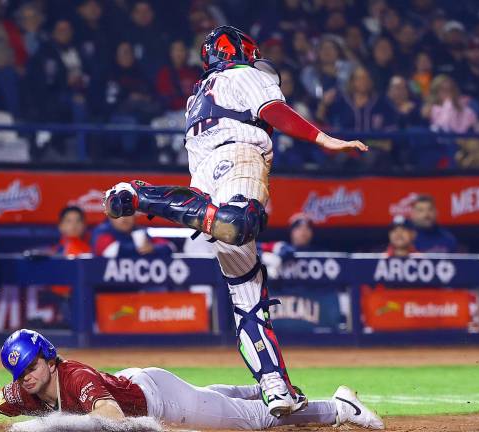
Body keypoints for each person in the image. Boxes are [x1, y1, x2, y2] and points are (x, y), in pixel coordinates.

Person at [103, 26, 368, 418]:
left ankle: (275, 386)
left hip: (203, 181)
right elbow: (272, 111)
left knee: (248, 300)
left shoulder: (198, 95)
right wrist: (324, 139)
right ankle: (142, 193)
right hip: (238, 159)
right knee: (240, 222)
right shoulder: (244, 75)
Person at [0, 329, 384, 431]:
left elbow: (115, 421)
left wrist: (53, 428)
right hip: (149, 385)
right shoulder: (26, 390)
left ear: (49, 359)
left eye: (31, 365)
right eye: (20, 371)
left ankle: (342, 409)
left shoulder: (73, 378)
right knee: (221, 400)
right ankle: (257, 385)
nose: (26, 378)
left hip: (159, 401)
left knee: (257, 423)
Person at [91, 214, 172, 258]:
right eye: (119, 214)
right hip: (106, 286)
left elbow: (169, 246)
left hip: (136, 284)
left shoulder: (139, 230)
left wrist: (153, 248)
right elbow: (110, 251)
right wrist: (143, 250)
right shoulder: (102, 230)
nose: (124, 219)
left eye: (128, 214)